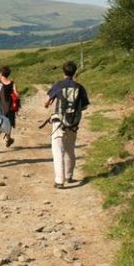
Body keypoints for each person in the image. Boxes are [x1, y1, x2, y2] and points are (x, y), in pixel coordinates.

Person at [44, 60, 89, 189]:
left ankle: (59, 180)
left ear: (63, 71)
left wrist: (50, 103)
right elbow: (84, 106)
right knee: (70, 149)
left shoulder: (58, 85)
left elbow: (46, 102)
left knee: (58, 151)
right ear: (74, 72)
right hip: (73, 124)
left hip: (59, 123)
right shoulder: (80, 87)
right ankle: (69, 176)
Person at [0, 65, 17, 152]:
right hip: (9, 105)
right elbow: (16, 94)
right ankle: (8, 139)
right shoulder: (12, 83)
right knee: (9, 122)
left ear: (1, 73)